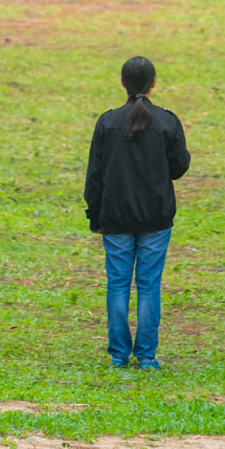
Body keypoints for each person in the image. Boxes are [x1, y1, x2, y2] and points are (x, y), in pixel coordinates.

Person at [83, 55, 190, 371]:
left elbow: (95, 174)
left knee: (117, 283)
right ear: (154, 83)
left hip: (115, 216)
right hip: (156, 217)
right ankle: (146, 356)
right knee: (148, 284)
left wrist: (94, 215)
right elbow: (179, 166)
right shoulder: (167, 121)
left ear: (122, 83)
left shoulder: (108, 122)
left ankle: (118, 354)